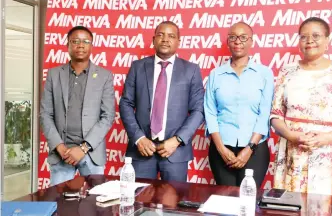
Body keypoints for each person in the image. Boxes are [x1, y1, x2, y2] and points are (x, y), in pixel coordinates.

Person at [270, 17, 332, 197]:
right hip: (294, 150)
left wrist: (328, 137)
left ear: (328, 40)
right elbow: (275, 115)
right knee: (290, 205)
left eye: (316, 36)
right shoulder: (287, 71)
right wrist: (293, 135)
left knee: (326, 207)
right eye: (304, 37)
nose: (309, 40)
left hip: (330, 151)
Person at [120, 21, 204, 182]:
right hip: (141, 150)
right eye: (161, 35)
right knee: (137, 202)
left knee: (173, 204)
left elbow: (198, 110)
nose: (165, 39)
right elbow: (126, 104)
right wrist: (138, 138)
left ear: (179, 41)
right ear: (153, 40)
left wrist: (177, 140)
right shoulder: (138, 67)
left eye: (171, 36)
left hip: (175, 152)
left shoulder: (191, 70)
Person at [40, 26, 115, 186]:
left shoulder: (104, 76)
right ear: (67, 45)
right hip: (62, 153)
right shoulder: (54, 74)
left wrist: (83, 148)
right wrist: (59, 146)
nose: (80, 45)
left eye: (85, 41)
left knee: (95, 205)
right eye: (75, 41)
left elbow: (107, 117)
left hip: (91, 153)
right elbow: (45, 114)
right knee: (58, 204)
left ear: (91, 46)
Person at [204, 22, 274, 188]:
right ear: (228, 42)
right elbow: (210, 112)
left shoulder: (264, 73)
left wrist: (249, 148)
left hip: (254, 148)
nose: (237, 42)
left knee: (248, 201)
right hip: (221, 148)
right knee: (225, 201)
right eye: (233, 37)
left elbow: (264, 113)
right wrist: (221, 148)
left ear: (251, 42)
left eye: (243, 38)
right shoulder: (216, 74)